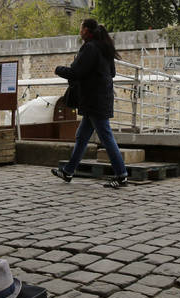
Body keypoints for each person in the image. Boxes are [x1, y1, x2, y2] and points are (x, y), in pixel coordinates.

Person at [50, 18, 128, 189]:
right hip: (100, 98)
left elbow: (76, 72)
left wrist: (58, 69)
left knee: (106, 137)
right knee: (82, 136)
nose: (79, 31)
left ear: (86, 30)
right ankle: (68, 171)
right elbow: (112, 73)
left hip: (94, 100)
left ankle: (121, 175)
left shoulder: (90, 48)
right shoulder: (104, 48)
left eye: (81, 28)